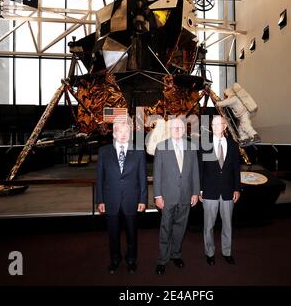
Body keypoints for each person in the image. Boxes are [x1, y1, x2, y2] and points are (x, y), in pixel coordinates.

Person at [96, 117, 148, 274]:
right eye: (120, 131)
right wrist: (100, 200)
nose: (124, 134)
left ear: (130, 133)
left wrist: (143, 199)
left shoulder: (138, 151)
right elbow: (100, 178)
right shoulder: (104, 152)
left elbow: (142, 178)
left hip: (131, 200)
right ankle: (115, 259)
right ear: (114, 133)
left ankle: (131, 261)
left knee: (132, 234)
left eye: (127, 131)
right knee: (113, 234)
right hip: (110, 200)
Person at [153, 117, 200, 275]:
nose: (178, 130)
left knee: (181, 227)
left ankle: (176, 255)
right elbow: (157, 174)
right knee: (166, 227)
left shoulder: (191, 147)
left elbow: (195, 172)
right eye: (174, 128)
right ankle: (162, 259)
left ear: (185, 129)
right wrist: (157, 196)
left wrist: (195, 192)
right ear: (169, 130)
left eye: (180, 127)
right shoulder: (161, 147)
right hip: (167, 197)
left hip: (186, 196)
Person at [199, 115, 241, 266]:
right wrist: (200, 190)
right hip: (209, 191)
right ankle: (209, 253)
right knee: (208, 225)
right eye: (213, 124)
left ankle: (227, 252)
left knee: (227, 224)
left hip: (228, 191)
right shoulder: (205, 144)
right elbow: (200, 169)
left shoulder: (233, 145)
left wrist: (237, 188)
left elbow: (236, 169)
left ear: (225, 126)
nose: (216, 127)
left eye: (219, 124)